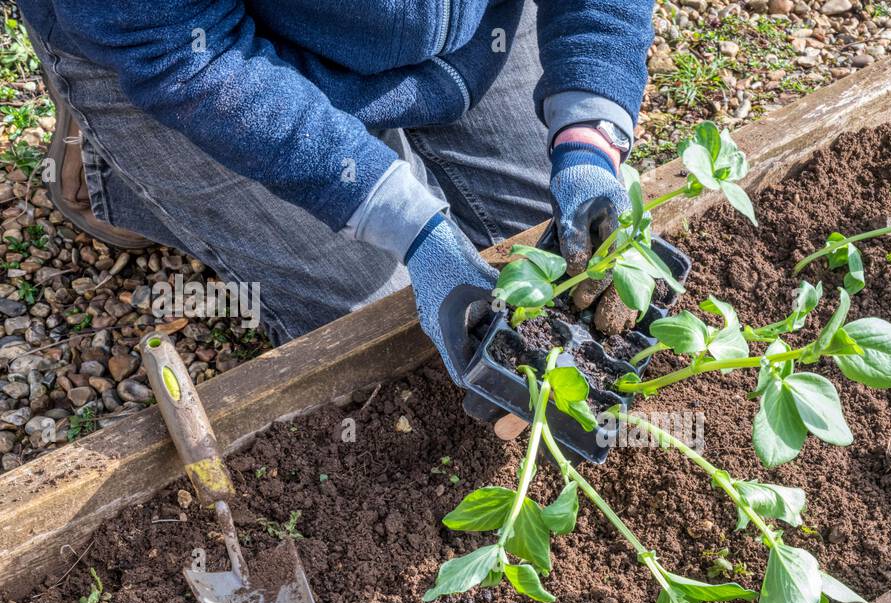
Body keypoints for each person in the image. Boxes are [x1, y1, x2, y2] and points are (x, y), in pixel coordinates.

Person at [17, 0, 653, 377]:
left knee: (538, 249)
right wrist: (412, 226)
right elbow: (179, 49)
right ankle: (108, 155)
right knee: (392, 327)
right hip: (199, 44)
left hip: (462, 30)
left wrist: (589, 134)